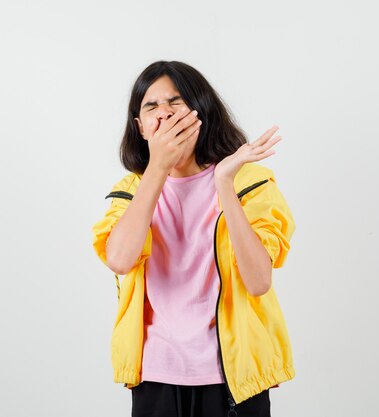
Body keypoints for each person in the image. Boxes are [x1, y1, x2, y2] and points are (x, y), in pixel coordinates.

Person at [91, 61, 296, 417]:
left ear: (200, 114)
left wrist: (224, 185)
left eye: (177, 102)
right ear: (140, 128)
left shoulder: (250, 182)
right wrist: (157, 167)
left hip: (236, 377)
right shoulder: (131, 192)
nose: (165, 113)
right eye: (151, 106)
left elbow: (259, 280)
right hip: (155, 375)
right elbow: (120, 259)